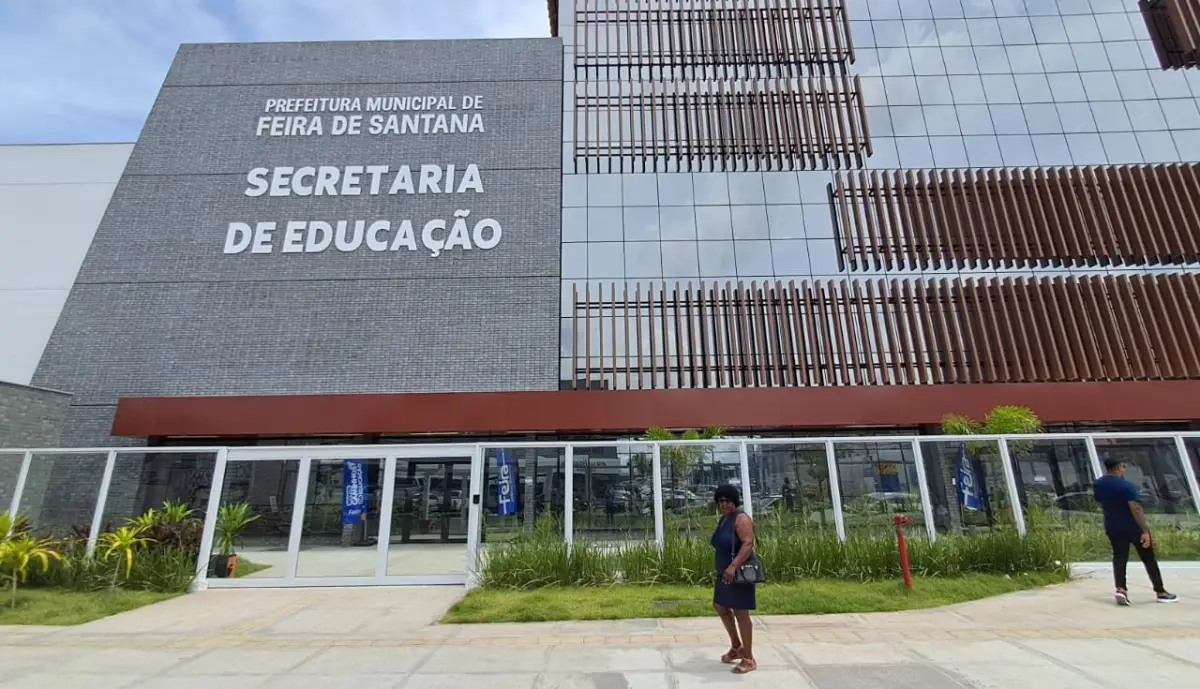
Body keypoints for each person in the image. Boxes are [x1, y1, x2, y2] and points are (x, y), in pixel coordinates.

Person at [1093, 459, 1178, 606]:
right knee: (1148, 558)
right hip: (1133, 527)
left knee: (1120, 557)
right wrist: (1145, 530)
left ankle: (1121, 589)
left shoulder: (1098, 484)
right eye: (1123, 467)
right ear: (1119, 468)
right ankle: (1160, 592)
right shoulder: (1126, 485)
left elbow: (1100, 500)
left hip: (1112, 525)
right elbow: (1135, 507)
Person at [711, 485, 757, 674]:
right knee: (720, 606)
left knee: (741, 612)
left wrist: (733, 566)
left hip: (738, 573)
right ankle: (737, 646)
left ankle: (749, 658)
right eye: (721, 501)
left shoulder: (741, 518)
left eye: (728, 500)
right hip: (725, 574)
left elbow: (748, 544)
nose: (724, 504)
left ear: (735, 502)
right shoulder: (725, 519)